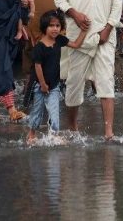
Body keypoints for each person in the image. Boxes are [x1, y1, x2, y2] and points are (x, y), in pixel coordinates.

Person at [54, 0, 123, 140]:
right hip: (78, 37)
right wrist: (73, 13)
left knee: (106, 83)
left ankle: (109, 133)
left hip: (104, 37)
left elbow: (117, 2)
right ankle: (73, 129)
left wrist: (108, 28)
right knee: (74, 85)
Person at [27, 10, 88, 145]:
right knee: (37, 111)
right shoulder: (39, 47)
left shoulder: (59, 40)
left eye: (57, 26)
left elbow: (76, 45)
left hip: (54, 86)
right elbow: (37, 67)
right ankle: (31, 134)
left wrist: (84, 31)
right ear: (45, 27)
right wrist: (43, 84)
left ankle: (54, 135)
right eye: (51, 26)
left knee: (54, 112)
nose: (55, 29)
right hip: (39, 86)